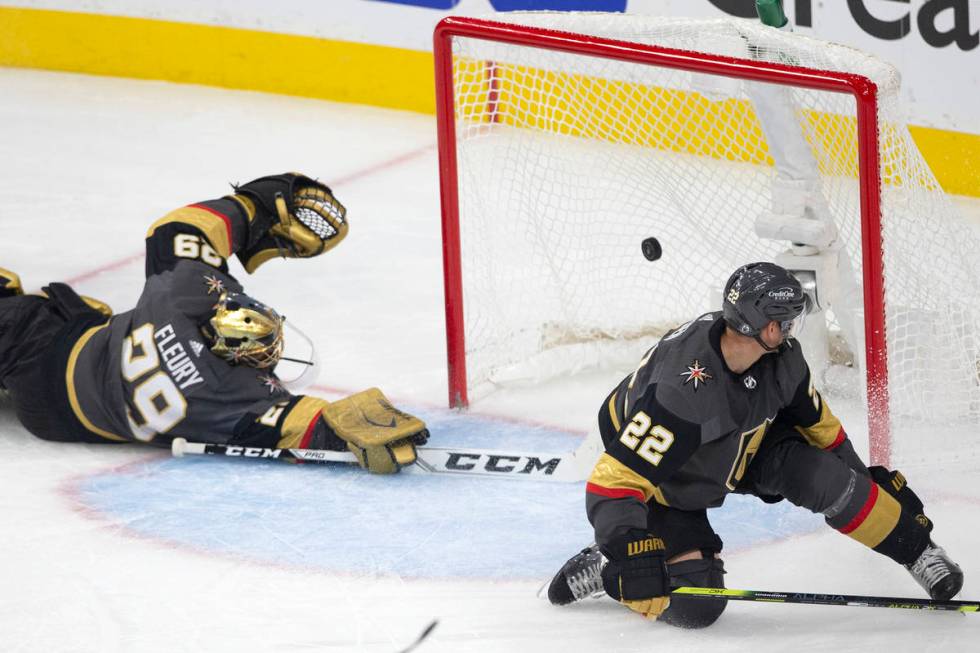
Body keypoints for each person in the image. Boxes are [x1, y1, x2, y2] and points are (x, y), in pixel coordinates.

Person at [546, 262, 963, 628]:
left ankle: (920, 553)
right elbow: (613, 482)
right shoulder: (679, 395)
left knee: (827, 477)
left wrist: (868, 491)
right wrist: (624, 549)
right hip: (672, 478)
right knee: (697, 604)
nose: (792, 330)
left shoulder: (782, 360)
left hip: (747, 446)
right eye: (788, 321)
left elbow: (819, 425)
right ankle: (603, 567)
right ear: (766, 326)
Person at [0, 173, 426, 473]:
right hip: (65, 418)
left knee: (25, 309)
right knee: (75, 307)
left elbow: (178, 228)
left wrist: (252, 206)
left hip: (42, 351)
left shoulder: (180, 298)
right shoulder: (233, 396)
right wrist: (352, 433)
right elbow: (302, 424)